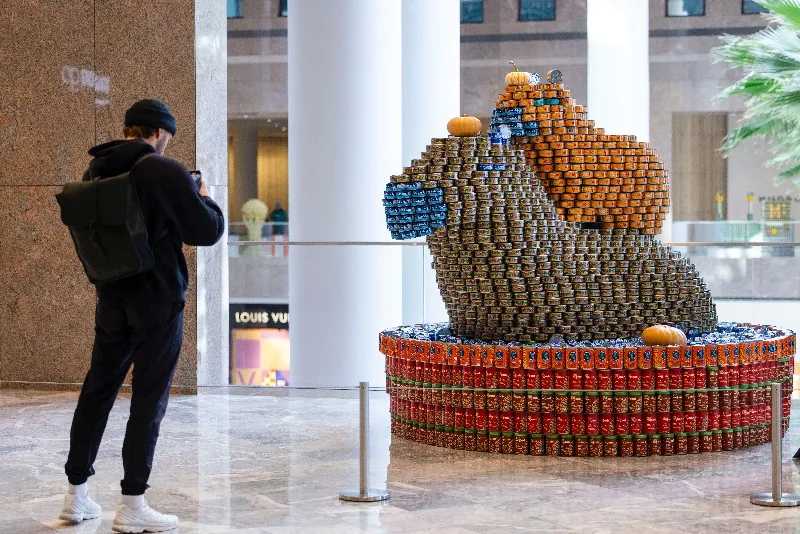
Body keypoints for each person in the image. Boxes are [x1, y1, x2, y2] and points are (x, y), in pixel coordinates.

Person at [60, 99, 224, 533]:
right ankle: (133, 503)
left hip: (112, 296)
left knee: (98, 390)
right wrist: (205, 197)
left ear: (128, 129)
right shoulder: (160, 169)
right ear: (161, 133)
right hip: (157, 299)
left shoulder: (96, 169)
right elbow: (206, 231)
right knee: (148, 398)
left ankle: (75, 495)